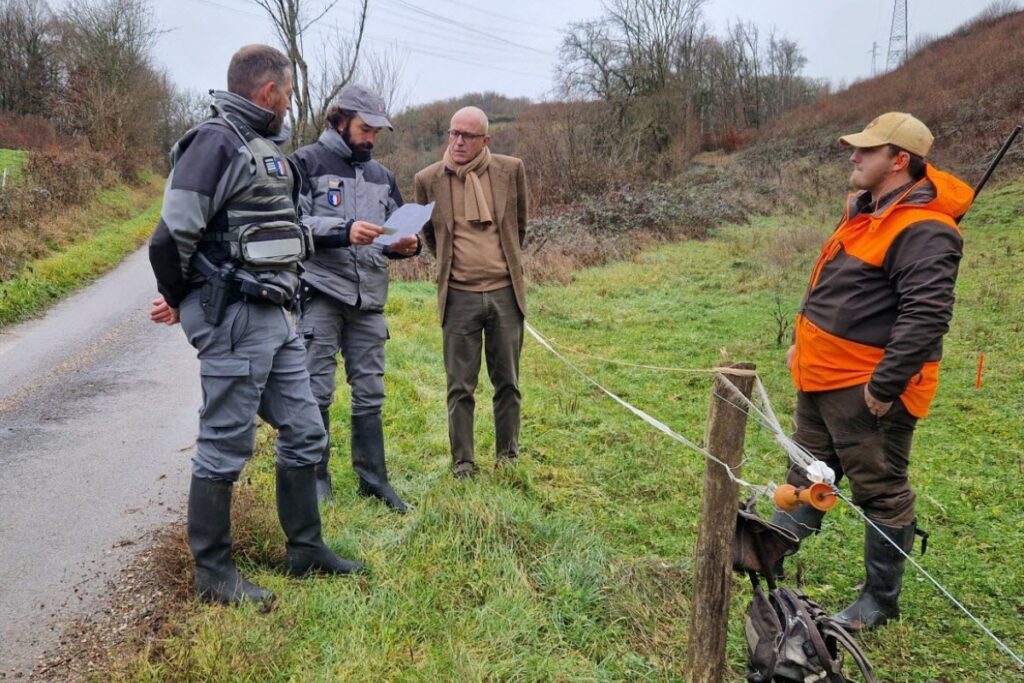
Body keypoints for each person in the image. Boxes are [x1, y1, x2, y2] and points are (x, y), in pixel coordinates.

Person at [148, 45, 375, 605]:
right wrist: (181, 298)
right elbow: (168, 238)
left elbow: (292, 226)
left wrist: (343, 232)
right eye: (290, 94)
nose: (291, 104)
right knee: (225, 443)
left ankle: (305, 550)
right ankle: (212, 574)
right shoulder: (216, 141)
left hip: (276, 314)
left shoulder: (264, 149)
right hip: (234, 316)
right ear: (268, 92)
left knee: (305, 429)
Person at [773, 112, 973, 631]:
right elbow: (830, 284)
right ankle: (767, 550)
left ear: (899, 160)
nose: (854, 157)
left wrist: (884, 387)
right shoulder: (866, 212)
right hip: (820, 377)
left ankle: (879, 602)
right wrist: (802, 342)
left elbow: (927, 316)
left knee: (881, 490)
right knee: (809, 470)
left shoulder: (926, 229)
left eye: (867, 150)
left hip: (866, 389)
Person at [290, 85, 418, 512]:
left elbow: (396, 229)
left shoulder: (382, 175)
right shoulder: (304, 163)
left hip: (370, 300)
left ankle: (373, 480)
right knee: (316, 390)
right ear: (340, 120)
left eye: (378, 132)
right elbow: (291, 225)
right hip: (322, 292)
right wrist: (342, 230)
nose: (371, 139)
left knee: (370, 391)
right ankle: (316, 480)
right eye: (366, 129)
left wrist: (407, 246)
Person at [414, 106, 529, 478]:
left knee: (508, 383)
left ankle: (507, 457)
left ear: (485, 141)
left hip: (504, 295)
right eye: (453, 134)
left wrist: (499, 271)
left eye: (467, 136)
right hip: (458, 298)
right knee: (460, 386)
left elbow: (519, 227)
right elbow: (430, 237)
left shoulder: (511, 171)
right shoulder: (428, 179)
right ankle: (463, 463)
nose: (458, 141)